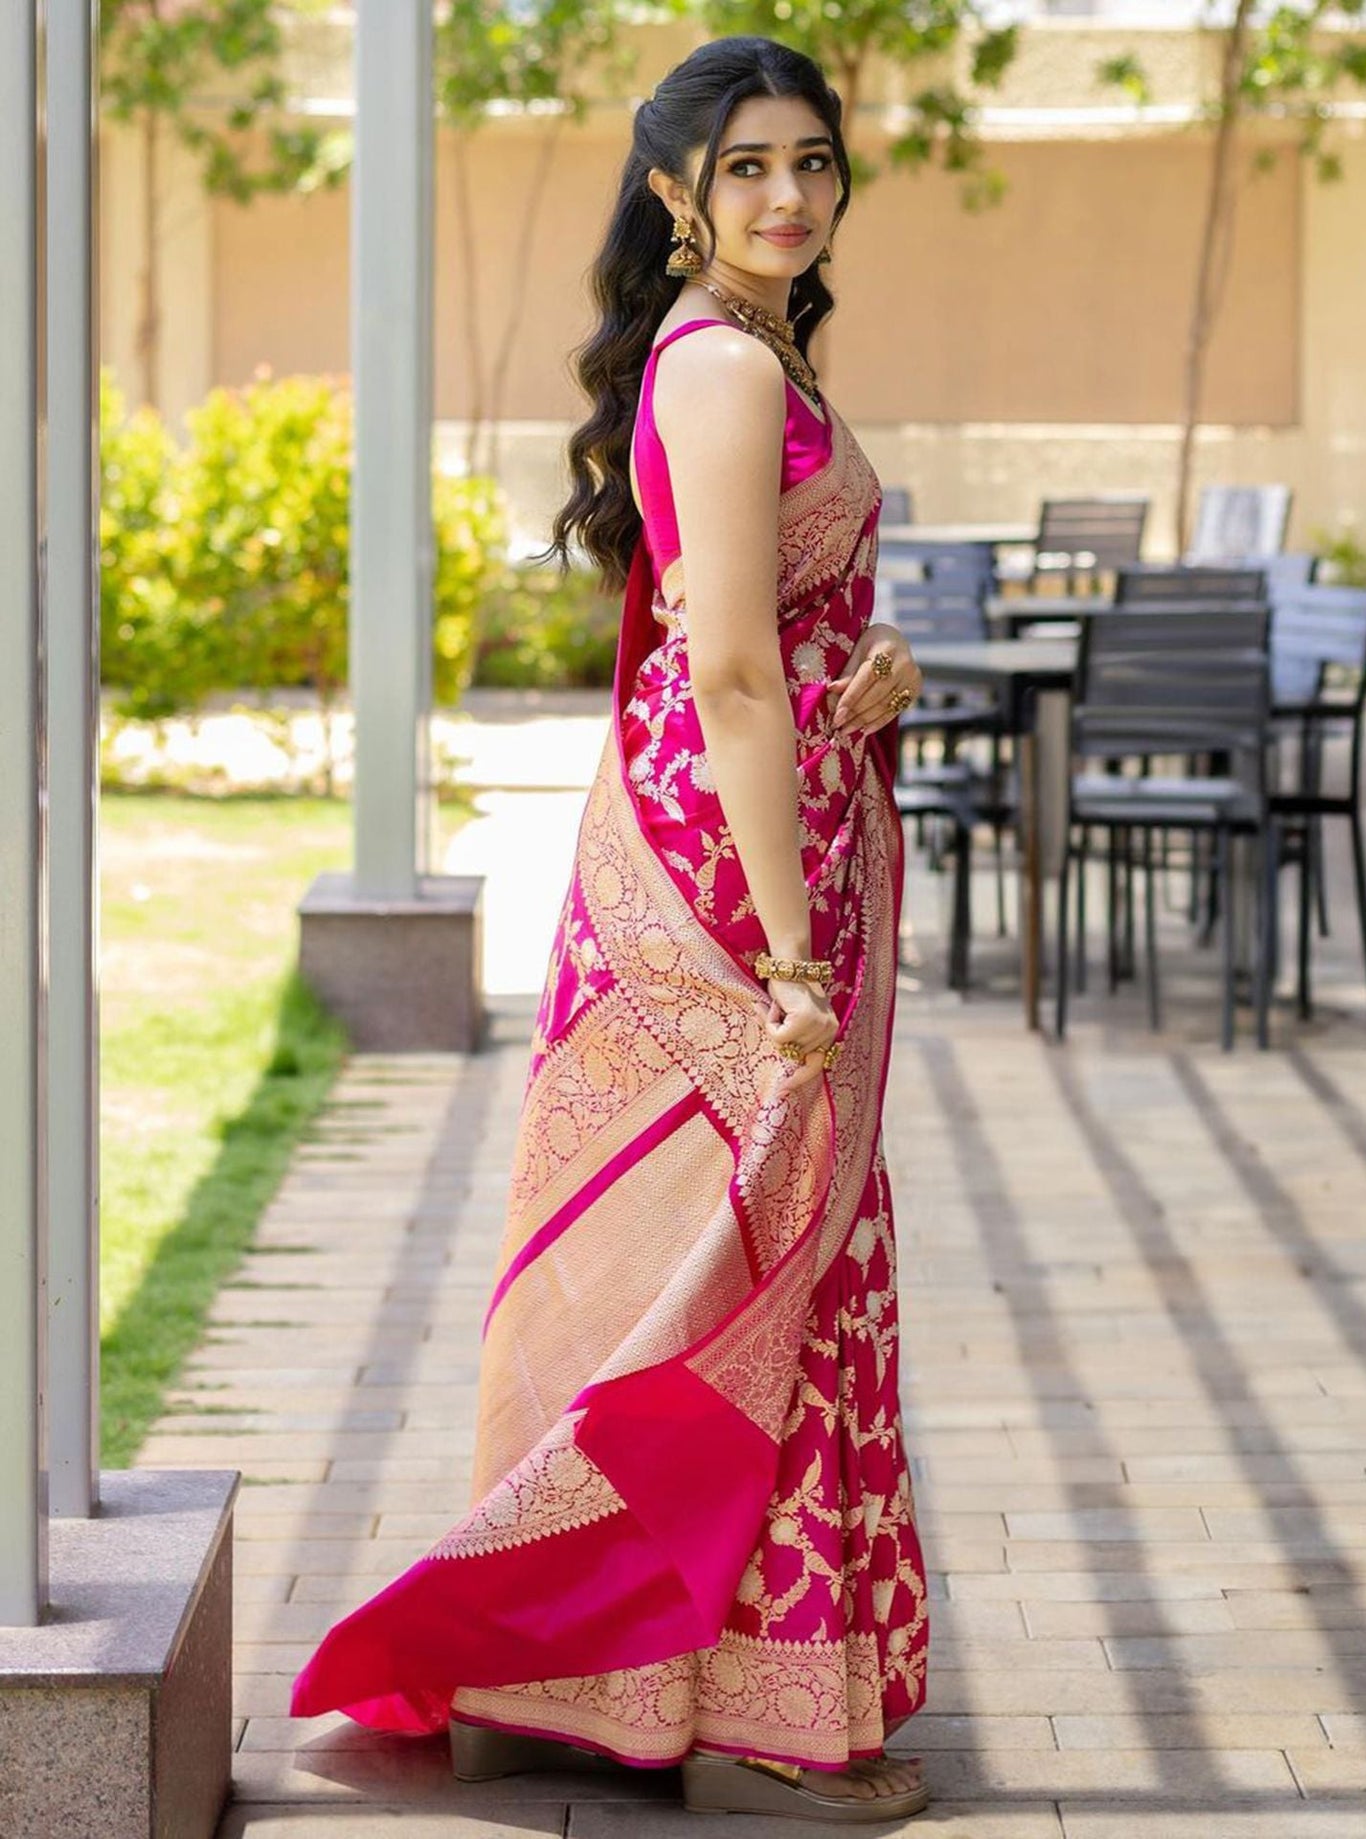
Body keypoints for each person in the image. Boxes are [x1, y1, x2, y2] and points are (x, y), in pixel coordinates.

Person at [291, 33, 931, 1823]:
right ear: (672, 191)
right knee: (748, 1266)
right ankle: (744, 1719)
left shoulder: (756, 349)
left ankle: (579, 1676)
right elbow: (724, 670)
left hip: (761, 838)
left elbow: (775, 624)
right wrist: (787, 957)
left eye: (812, 160)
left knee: (740, 1256)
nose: (789, 194)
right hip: (724, 885)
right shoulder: (719, 361)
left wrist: (878, 658)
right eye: (746, 166)